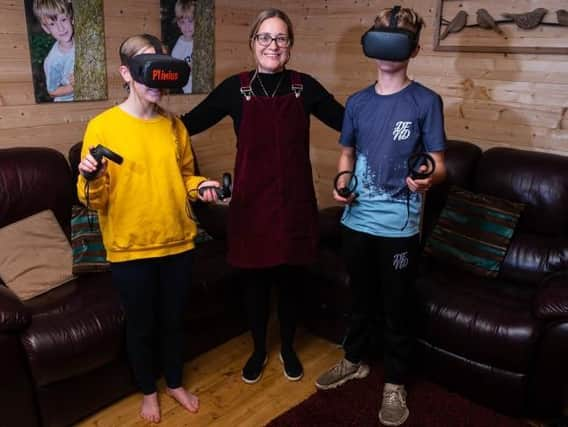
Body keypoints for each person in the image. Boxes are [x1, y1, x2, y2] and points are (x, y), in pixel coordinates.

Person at [181, 8, 344, 385]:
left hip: (294, 205)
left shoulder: (306, 88)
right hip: (251, 207)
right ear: (253, 43)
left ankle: (287, 347)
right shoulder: (234, 89)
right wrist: (143, 117)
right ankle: (258, 349)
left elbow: (349, 123)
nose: (273, 45)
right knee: (254, 285)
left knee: (290, 282)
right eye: (265, 37)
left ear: (290, 46)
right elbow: (187, 125)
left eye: (281, 38)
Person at [77, 34, 220, 423]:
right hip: (130, 249)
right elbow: (92, 200)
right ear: (126, 72)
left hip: (178, 243)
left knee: (173, 322)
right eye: (146, 67)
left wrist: (201, 187)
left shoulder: (174, 126)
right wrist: (91, 175)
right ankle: (147, 390)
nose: (156, 77)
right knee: (141, 327)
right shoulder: (102, 127)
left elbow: (185, 177)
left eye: (162, 65)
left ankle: (174, 382)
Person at [314, 6, 447, 427]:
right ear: (372, 45)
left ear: (415, 49)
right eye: (383, 37)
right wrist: (341, 181)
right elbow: (348, 154)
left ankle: (395, 382)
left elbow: (439, 163)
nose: (390, 47)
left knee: (396, 307)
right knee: (359, 298)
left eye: (399, 39)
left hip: (399, 227)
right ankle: (353, 360)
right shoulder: (357, 103)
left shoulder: (426, 101)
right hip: (356, 221)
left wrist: (427, 178)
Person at [32, 0, 75, 102]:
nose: (61, 28)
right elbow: (52, 92)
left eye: (63, 19)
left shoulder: (82, 39)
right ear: (46, 28)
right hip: (66, 103)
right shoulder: (52, 61)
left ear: (72, 18)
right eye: (52, 24)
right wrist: (74, 87)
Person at [171, 0, 195, 94]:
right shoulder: (178, 49)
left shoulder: (200, 41)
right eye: (182, 22)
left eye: (190, 21)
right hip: (189, 92)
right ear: (178, 24)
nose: (187, 26)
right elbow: (175, 74)